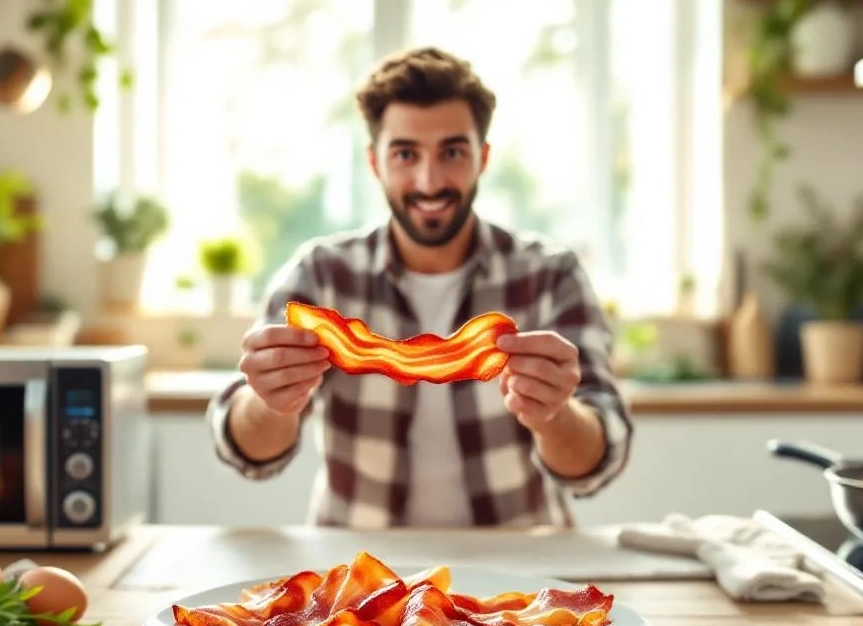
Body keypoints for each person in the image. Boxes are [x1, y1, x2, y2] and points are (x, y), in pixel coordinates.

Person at [206, 46, 633, 528]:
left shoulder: (550, 275)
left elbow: (600, 458)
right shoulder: (322, 275)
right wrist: (269, 403)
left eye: (452, 152)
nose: (429, 181)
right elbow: (244, 450)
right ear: (374, 163)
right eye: (405, 154)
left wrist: (555, 417)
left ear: (483, 158)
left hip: (517, 567)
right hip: (362, 575)